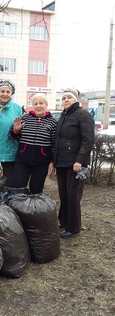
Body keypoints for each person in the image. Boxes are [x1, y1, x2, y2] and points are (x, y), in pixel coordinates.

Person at [53, 87, 95, 238]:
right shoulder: (63, 116)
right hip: (62, 163)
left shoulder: (82, 115)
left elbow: (88, 139)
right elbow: (58, 140)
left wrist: (80, 161)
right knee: (64, 195)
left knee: (73, 195)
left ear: (75, 99)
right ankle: (63, 220)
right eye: (63, 98)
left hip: (76, 164)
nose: (66, 100)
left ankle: (74, 227)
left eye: (69, 98)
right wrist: (55, 161)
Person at [9, 93, 57, 194]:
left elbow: (54, 144)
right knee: (18, 188)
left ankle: (34, 209)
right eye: (35, 104)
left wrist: (52, 162)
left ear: (46, 105)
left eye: (41, 103)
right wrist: (16, 130)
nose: (38, 106)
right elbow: (12, 137)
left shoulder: (52, 122)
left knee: (36, 190)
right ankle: (18, 209)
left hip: (41, 162)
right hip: (22, 160)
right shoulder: (25, 118)